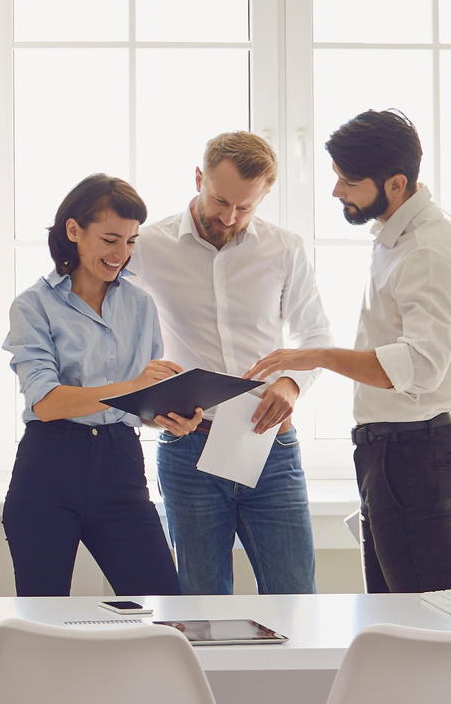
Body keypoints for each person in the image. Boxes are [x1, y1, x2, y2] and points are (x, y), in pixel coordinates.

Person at [247, 109, 451, 594]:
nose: (337, 192)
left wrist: (314, 356)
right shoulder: (399, 239)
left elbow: (418, 366)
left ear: (396, 184)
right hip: (396, 452)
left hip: (414, 455)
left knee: (425, 629)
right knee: (394, 621)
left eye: (349, 181)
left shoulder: (425, 251)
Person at [131, 131, 332, 595]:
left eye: (246, 208)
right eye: (220, 200)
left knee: (295, 598)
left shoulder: (285, 249)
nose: (230, 216)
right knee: (200, 607)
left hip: (269, 447)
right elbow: (114, 331)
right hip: (188, 451)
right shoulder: (147, 248)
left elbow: (316, 335)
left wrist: (291, 384)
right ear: (198, 177)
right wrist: (146, 394)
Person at [0, 173, 187, 598]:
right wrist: (132, 386)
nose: (121, 253)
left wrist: (168, 414)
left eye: (131, 241)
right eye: (110, 239)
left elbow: (137, 398)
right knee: (43, 619)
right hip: (49, 467)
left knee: (166, 606)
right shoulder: (33, 306)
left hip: (121, 466)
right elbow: (46, 402)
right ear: (73, 231)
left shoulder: (140, 305)